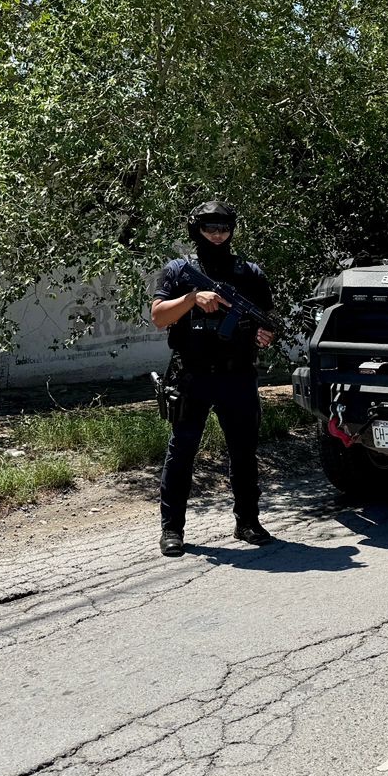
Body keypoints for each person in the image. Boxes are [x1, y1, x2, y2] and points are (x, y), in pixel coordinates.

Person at [151, 200, 277, 556]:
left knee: (244, 451)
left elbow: (263, 322)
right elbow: (159, 316)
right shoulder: (179, 271)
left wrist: (264, 335)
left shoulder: (248, 272)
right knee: (182, 452)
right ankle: (172, 530)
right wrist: (192, 298)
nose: (218, 235)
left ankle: (248, 522)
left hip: (237, 376)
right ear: (196, 230)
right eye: (210, 228)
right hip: (192, 375)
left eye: (223, 228)